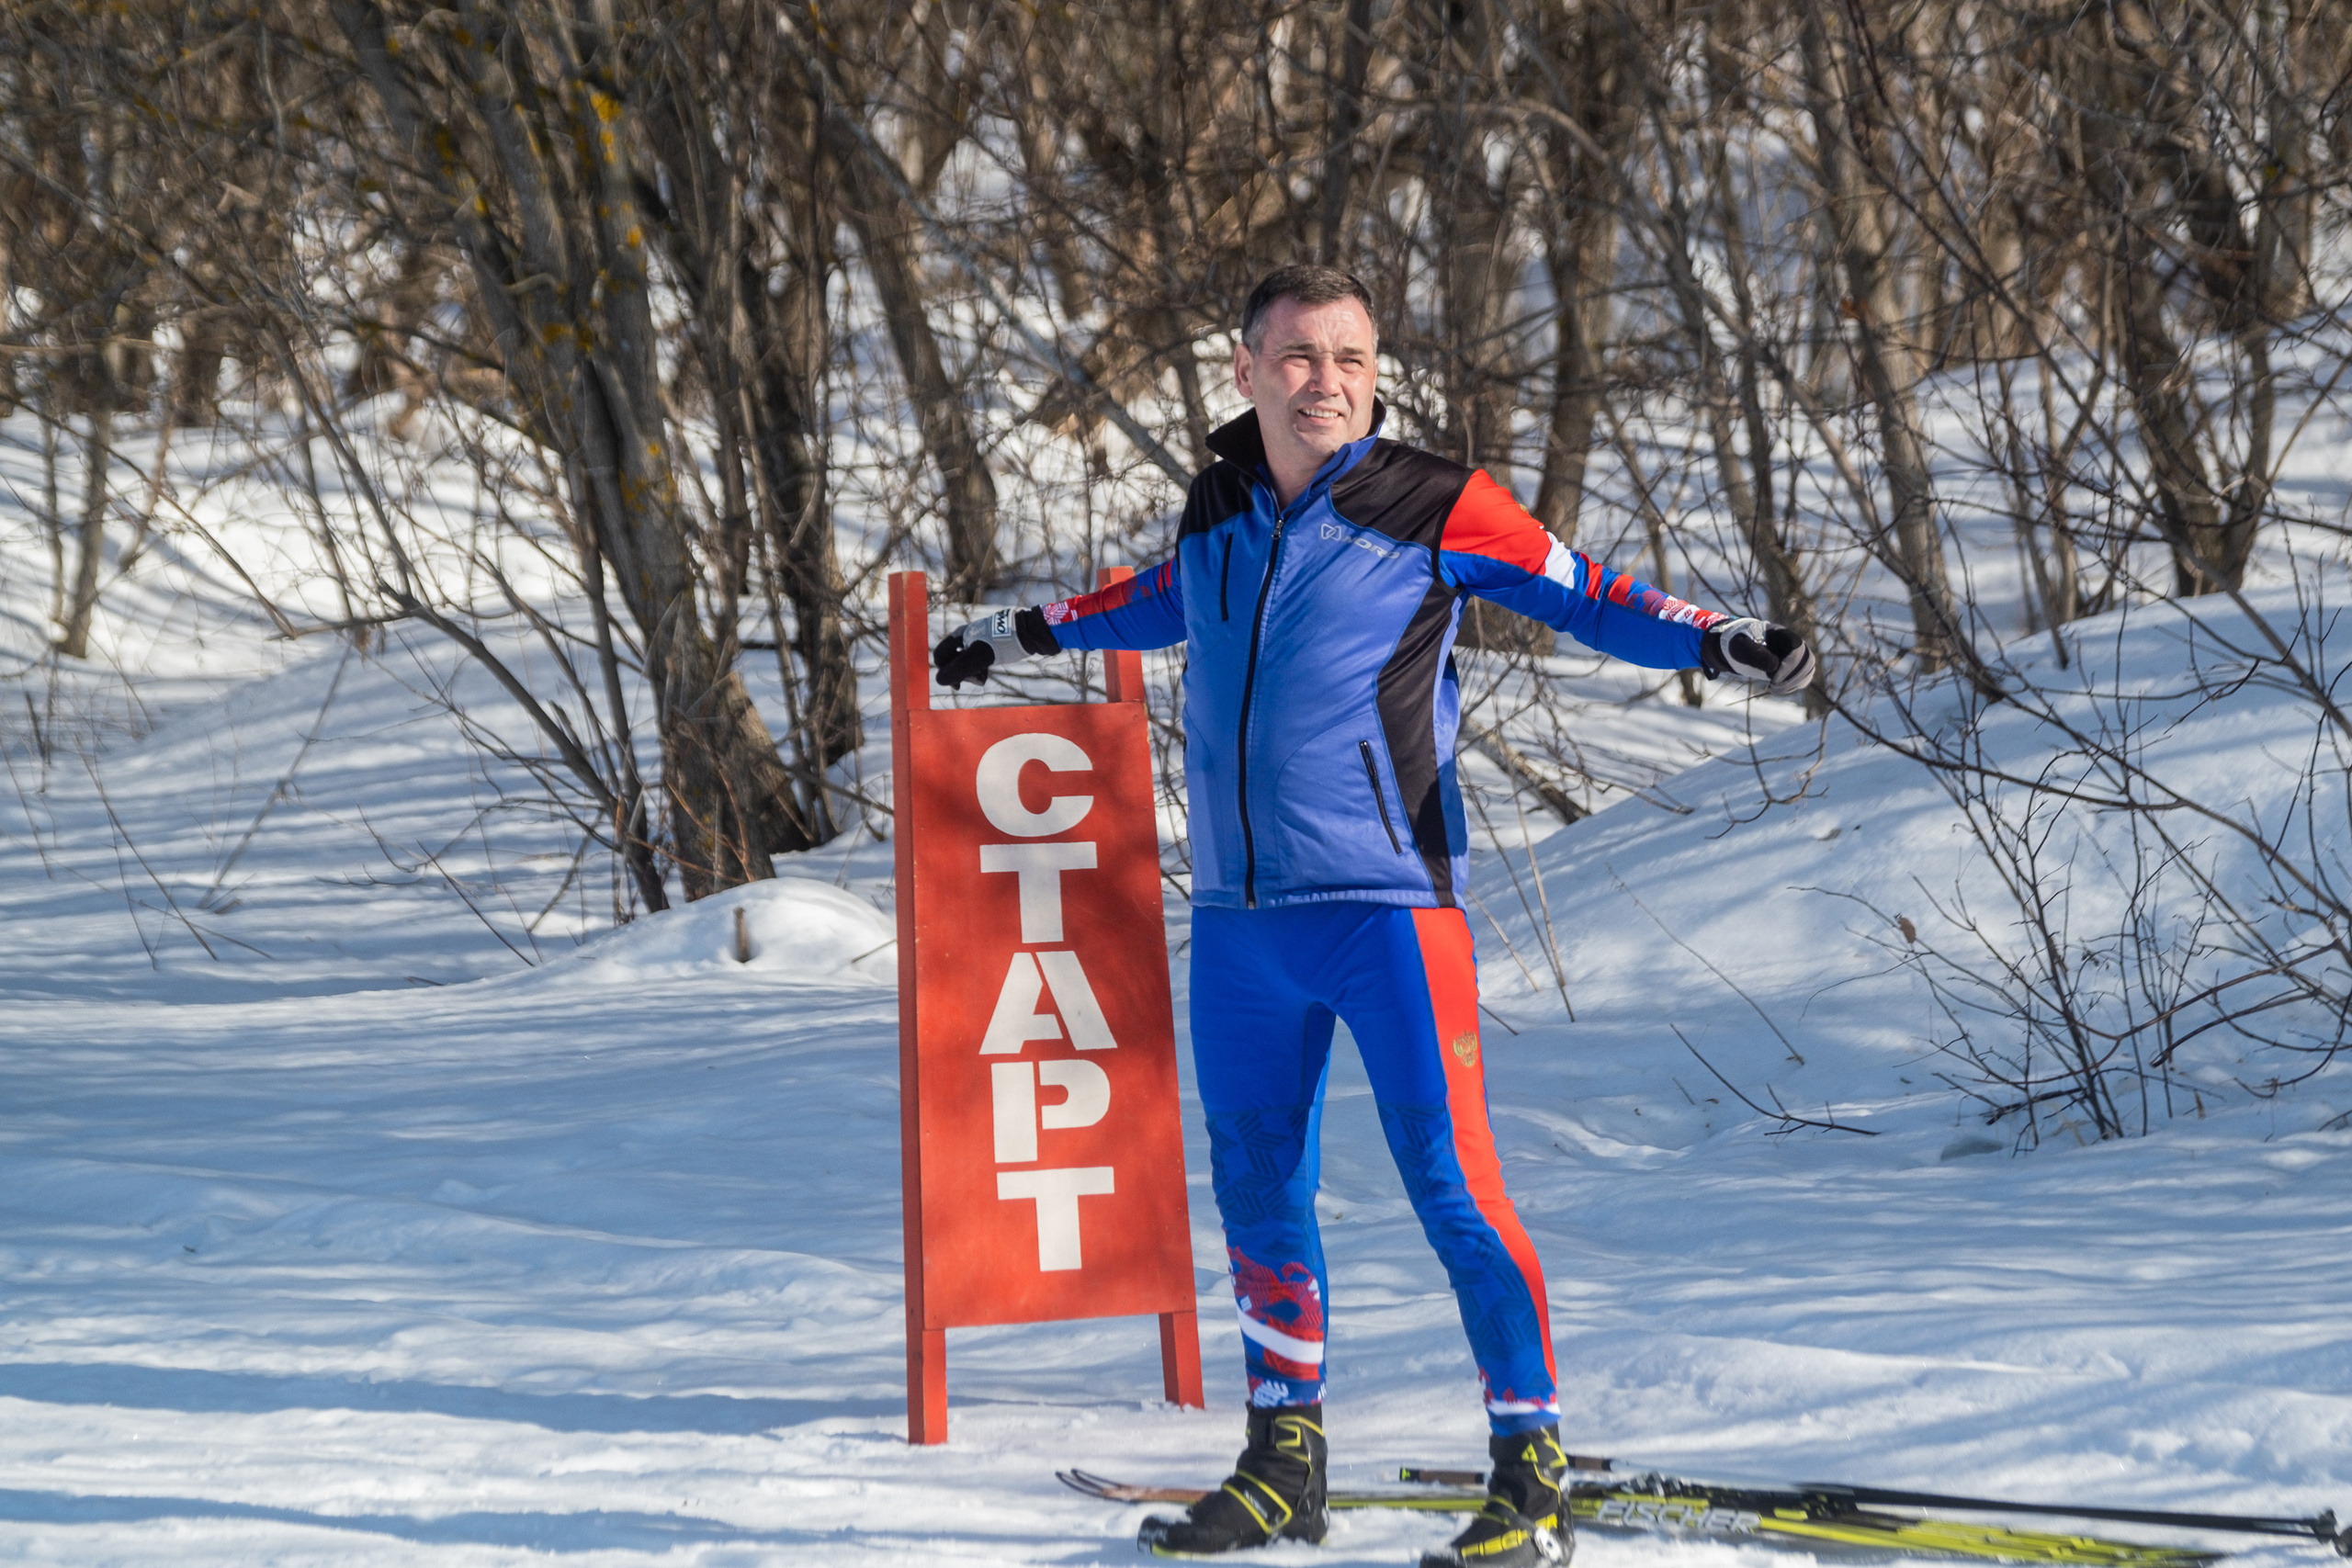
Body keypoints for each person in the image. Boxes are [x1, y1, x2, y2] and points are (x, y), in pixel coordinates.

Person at [933, 265, 1814, 1565]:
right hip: (1239, 924)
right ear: (1246, 371)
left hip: (1389, 911)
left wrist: (1720, 639)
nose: (1325, 382)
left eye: (1348, 357)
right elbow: (1159, 598)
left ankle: (1531, 1471)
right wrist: (1022, 634)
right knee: (1257, 1191)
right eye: (1297, 357)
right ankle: (1283, 1459)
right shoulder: (1222, 499)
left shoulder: (1436, 502)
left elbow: (1590, 592)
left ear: (1376, 369)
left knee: (1454, 1190)